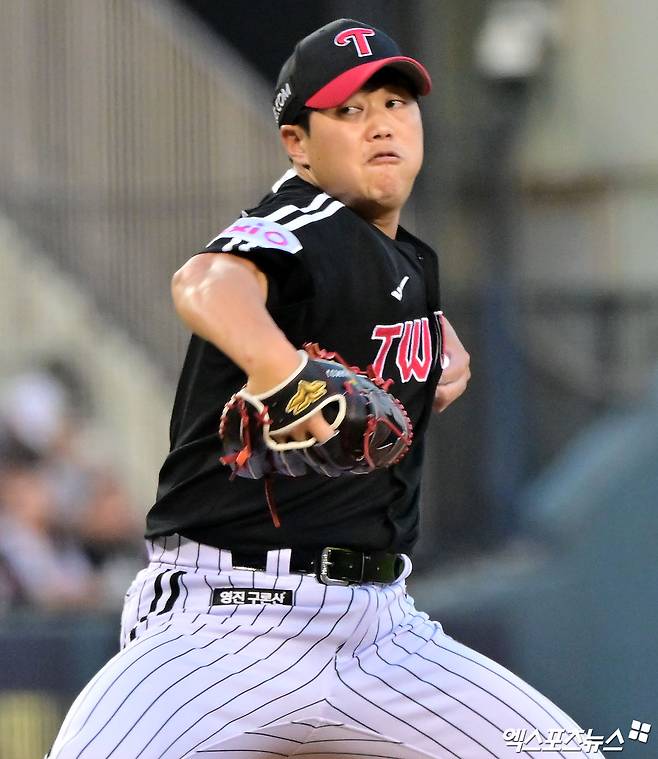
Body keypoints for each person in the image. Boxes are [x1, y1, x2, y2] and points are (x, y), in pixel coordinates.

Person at [49, 18, 601, 759]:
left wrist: (434, 346)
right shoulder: (304, 222)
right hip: (224, 629)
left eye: (396, 103)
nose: (381, 124)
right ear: (297, 144)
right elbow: (206, 283)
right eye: (349, 110)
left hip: (380, 632)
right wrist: (285, 376)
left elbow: (374, 317)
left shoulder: (405, 257)